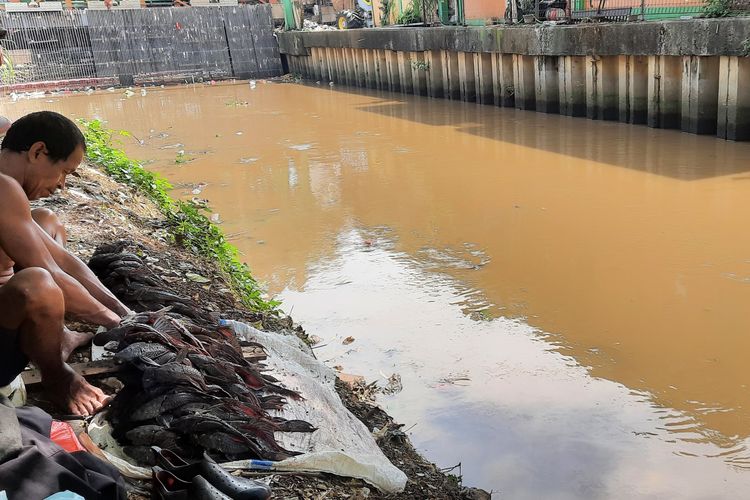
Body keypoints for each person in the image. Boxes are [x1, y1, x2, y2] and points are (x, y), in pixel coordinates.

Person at [0, 111, 132, 416]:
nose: (62, 185)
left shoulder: (9, 189)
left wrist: (125, 313)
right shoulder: (3, 189)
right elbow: (51, 273)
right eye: (64, 172)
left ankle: (58, 335)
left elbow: (62, 261)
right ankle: (56, 376)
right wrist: (115, 323)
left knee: (45, 220)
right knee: (38, 284)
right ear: (37, 152)